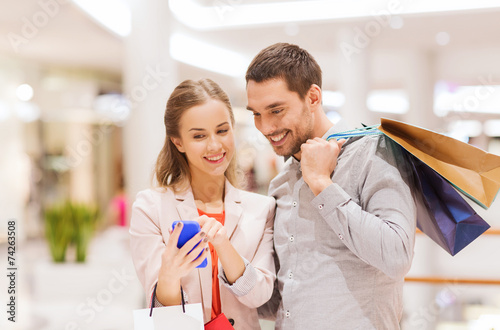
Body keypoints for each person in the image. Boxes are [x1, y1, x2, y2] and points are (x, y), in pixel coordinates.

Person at [246, 43, 416, 329]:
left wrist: (323, 185)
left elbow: (397, 256)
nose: (265, 127)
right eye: (256, 114)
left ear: (313, 97)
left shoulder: (374, 153)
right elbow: (278, 303)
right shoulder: (280, 184)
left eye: (276, 110)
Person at [129, 78, 276, 329]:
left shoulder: (261, 209)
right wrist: (170, 273)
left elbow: (259, 296)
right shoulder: (150, 207)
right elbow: (162, 314)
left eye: (222, 130)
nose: (215, 145)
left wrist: (223, 245)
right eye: (199, 135)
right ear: (178, 142)